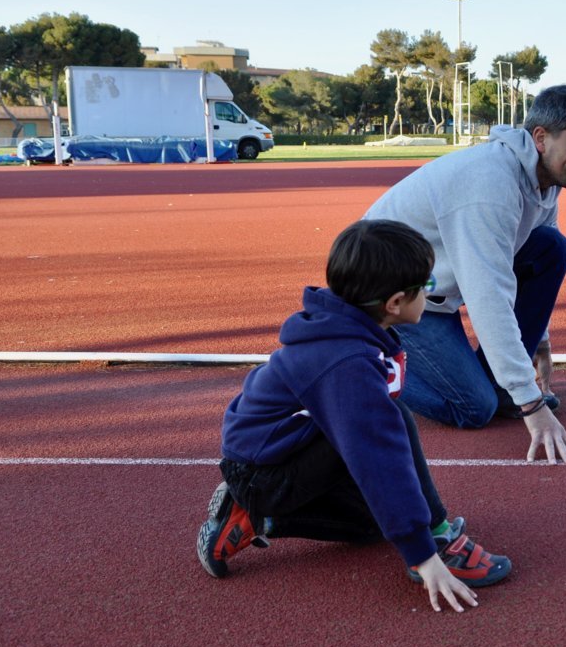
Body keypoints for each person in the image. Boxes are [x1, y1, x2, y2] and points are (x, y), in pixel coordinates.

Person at [196, 219, 511, 613]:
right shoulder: (348, 365)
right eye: (426, 285)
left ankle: (258, 518)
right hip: (264, 474)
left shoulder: (350, 327)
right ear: (394, 303)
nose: (431, 291)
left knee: (381, 520)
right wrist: (422, 553)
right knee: (392, 428)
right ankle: (438, 536)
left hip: (284, 452)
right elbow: (379, 459)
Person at [363, 85, 566, 464]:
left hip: (434, 287)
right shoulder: (490, 185)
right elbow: (489, 294)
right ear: (541, 138)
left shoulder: (544, 181)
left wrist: (540, 343)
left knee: (551, 247)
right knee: (473, 408)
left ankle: (503, 388)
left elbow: (530, 266)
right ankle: (359, 367)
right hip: (391, 294)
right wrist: (531, 404)